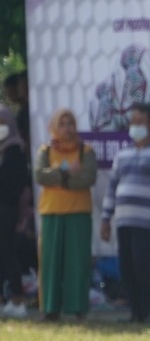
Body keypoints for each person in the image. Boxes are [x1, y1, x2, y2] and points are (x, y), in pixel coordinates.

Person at [100, 102, 150, 323]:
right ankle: (135, 312)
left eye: (140, 122)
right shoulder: (122, 155)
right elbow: (112, 188)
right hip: (123, 220)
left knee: (143, 266)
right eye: (132, 122)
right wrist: (106, 218)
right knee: (126, 268)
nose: (135, 126)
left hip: (146, 222)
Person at [33, 109, 98, 321]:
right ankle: (50, 308)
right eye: (62, 124)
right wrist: (67, 172)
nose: (68, 129)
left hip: (78, 212)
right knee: (50, 262)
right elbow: (40, 176)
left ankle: (78, 307)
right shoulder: (45, 150)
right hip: (51, 212)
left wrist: (59, 179)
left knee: (77, 261)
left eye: (71, 123)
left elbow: (87, 178)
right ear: (53, 128)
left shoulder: (85, 151)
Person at [0, 106, 31, 318]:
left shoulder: (15, 150)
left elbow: (12, 184)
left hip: (7, 208)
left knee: (7, 252)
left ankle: (18, 298)